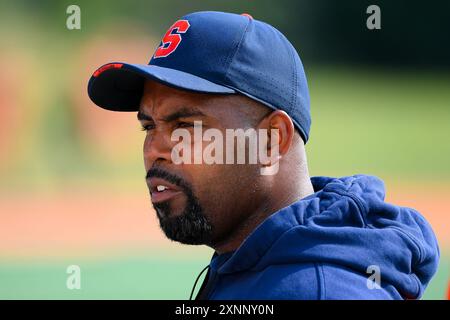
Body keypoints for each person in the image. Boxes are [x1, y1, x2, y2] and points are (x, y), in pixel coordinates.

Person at [87, 11, 439, 299]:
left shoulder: (324, 292)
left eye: (186, 126)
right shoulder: (252, 261)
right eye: (148, 126)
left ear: (273, 139)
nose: (155, 149)